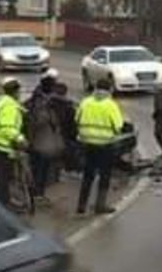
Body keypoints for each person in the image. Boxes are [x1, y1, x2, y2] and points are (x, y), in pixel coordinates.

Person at [76, 77, 125, 215]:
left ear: (95, 88)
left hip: (87, 143)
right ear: (109, 90)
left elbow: (77, 119)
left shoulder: (85, 102)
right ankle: (100, 205)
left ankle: (81, 206)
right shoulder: (110, 105)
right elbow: (118, 126)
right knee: (104, 175)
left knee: (88, 175)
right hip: (105, 145)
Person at [0, 77, 26, 207]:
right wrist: (20, 138)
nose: (20, 94)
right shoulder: (10, 106)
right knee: (4, 176)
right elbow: (7, 128)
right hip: (3, 144)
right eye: (19, 91)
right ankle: (2, 203)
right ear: (15, 92)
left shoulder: (3, 101)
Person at [25, 76, 64, 201]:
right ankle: (36, 194)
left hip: (42, 141)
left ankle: (38, 193)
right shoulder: (41, 102)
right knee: (40, 169)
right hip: (40, 142)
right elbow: (39, 121)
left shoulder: (40, 99)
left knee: (42, 169)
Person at [52, 82, 80, 174]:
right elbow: (73, 126)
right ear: (65, 93)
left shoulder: (46, 104)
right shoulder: (69, 107)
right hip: (64, 138)